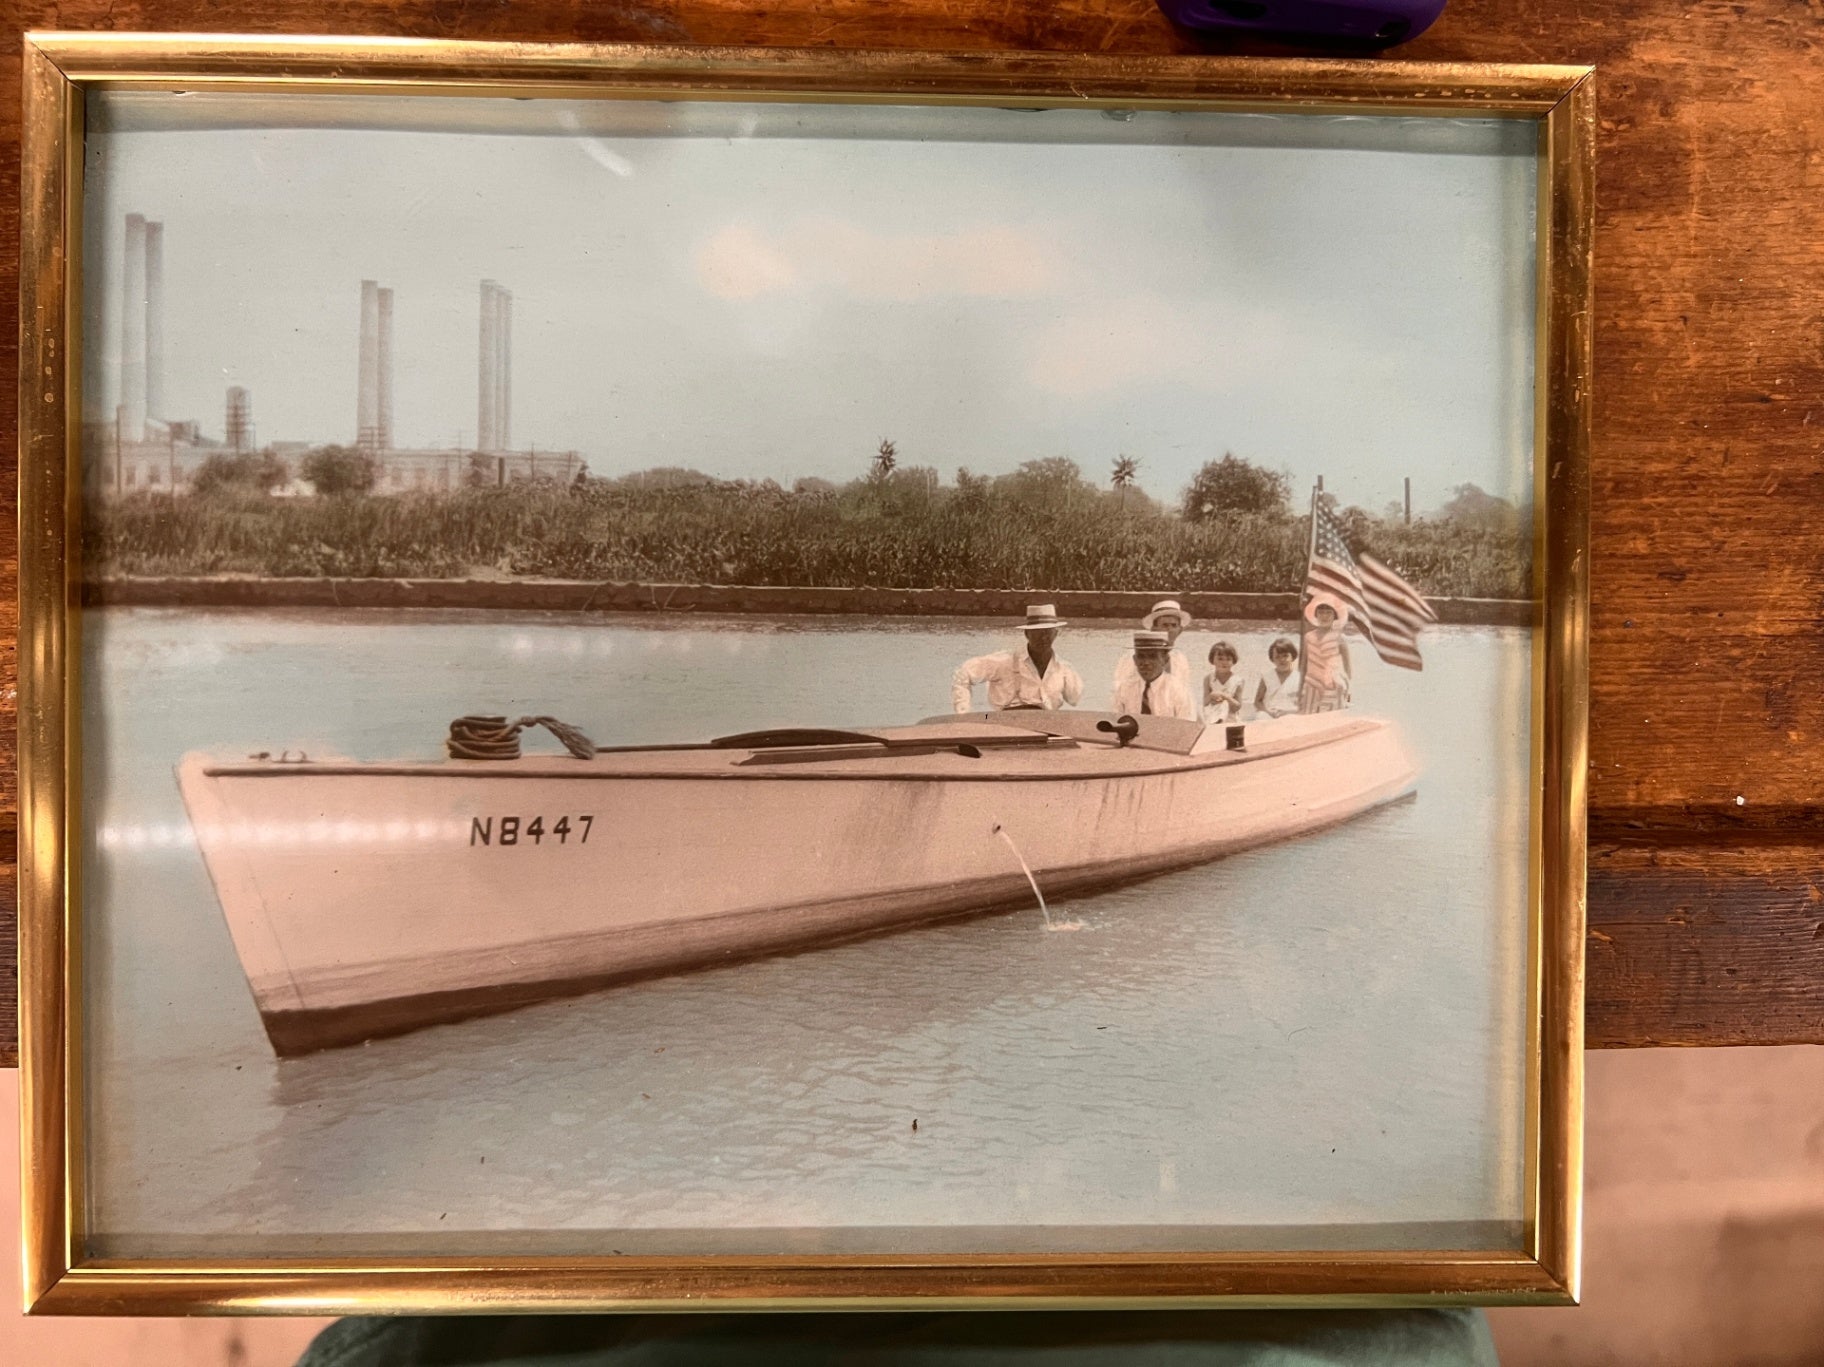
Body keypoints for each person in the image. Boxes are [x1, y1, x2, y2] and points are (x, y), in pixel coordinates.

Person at [951, 604, 1083, 713]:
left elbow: (1075, 699)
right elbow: (963, 672)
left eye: (1048, 632)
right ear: (1027, 634)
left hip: (1049, 727)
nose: (1043, 638)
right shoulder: (1004, 661)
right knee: (986, 717)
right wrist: (963, 712)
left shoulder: (1063, 669)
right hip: (1006, 726)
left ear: (1056, 634)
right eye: (1038, 633)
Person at [1112, 598, 1194, 708]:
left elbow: (1185, 693)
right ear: (1153, 628)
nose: (1169, 629)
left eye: (1174, 625)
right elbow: (1118, 689)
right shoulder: (1131, 657)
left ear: (1180, 630)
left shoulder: (1180, 659)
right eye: (1165, 625)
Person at [1111, 630, 1198, 720]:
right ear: (1135, 660)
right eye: (1141, 656)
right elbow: (1114, 721)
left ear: (1165, 660)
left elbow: (1188, 725)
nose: (1146, 662)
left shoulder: (1179, 690)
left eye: (1153, 656)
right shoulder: (1124, 689)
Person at [1298, 591, 1352, 713]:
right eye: (1321, 612)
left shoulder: (1340, 638)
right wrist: (1300, 690)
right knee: (1309, 718)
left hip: (1333, 686)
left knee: (1331, 719)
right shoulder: (1308, 637)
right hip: (1311, 686)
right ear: (1316, 614)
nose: (1324, 616)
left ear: (1335, 616)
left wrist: (1348, 693)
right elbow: (1303, 667)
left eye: (1328, 613)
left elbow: (1348, 669)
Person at [1255, 635, 1302, 718]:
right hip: (1270, 713)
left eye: (1285, 656)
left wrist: (1288, 712)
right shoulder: (1267, 676)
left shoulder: (1299, 677)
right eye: (1277, 657)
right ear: (1272, 659)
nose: (1282, 660)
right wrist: (1268, 712)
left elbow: (1303, 704)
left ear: (1292, 656)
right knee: (1261, 716)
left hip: (1290, 713)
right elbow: (1258, 701)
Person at [1203, 639, 1249, 723]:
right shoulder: (1208, 678)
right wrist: (1211, 696)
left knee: (1224, 704)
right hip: (1212, 715)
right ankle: (1215, 723)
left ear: (1233, 661)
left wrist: (1225, 696)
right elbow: (1205, 703)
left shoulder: (1238, 680)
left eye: (1228, 659)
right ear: (1213, 660)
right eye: (1220, 659)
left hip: (1230, 718)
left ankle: (1220, 722)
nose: (1224, 662)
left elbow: (1237, 706)